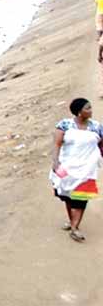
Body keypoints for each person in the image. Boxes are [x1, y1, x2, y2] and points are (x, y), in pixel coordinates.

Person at [51, 97, 103, 243]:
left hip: (87, 169)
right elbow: (57, 144)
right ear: (79, 112)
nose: (91, 110)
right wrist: (55, 162)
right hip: (66, 166)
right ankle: (72, 221)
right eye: (88, 108)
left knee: (81, 198)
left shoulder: (96, 127)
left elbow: (102, 145)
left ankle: (75, 227)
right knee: (67, 196)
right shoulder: (65, 125)